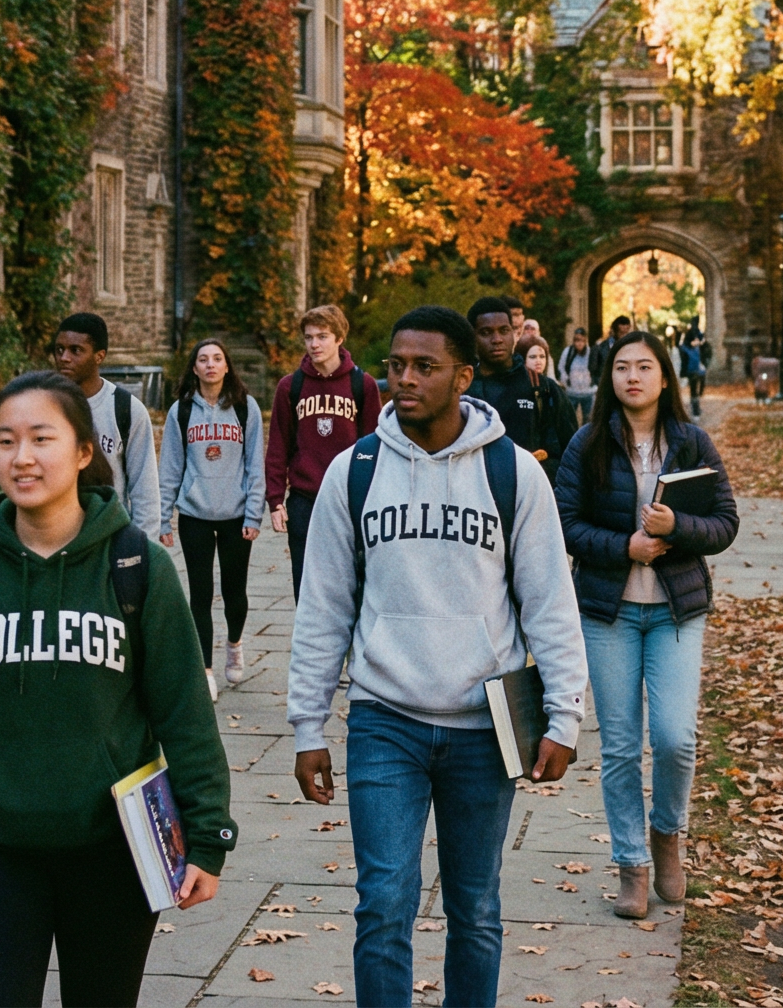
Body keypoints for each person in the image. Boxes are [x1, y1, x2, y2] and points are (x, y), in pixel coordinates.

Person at [0, 372, 236, 1007]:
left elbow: (184, 712)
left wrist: (207, 834)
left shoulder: (136, 567)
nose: (22, 457)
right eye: (7, 440)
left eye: (42, 438)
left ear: (82, 451)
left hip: (112, 853)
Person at [289, 305, 589, 1008]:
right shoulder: (353, 471)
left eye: (425, 367)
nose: (405, 380)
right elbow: (323, 608)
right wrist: (308, 726)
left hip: (484, 724)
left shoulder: (513, 473)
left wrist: (565, 718)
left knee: (476, 912)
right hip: (383, 719)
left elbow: (549, 603)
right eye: (396, 365)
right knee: (382, 908)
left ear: (464, 376)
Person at [555, 328, 738, 919]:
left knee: (675, 737)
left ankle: (668, 836)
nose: (633, 376)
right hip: (608, 611)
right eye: (622, 368)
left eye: (645, 367)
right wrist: (625, 546)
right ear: (609, 378)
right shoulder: (587, 444)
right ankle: (632, 864)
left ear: (665, 377)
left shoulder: (691, 443)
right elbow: (563, 524)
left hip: (675, 611)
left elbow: (725, 523)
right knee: (621, 747)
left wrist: (674, 529)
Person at [159, 337, 265, 692]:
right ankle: (205, 670)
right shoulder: (181, 411)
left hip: (235, 515)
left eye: (217, 358)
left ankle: (234, 645)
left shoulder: (245, 408)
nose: (210, 365)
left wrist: (253, 515)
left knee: (235, 594)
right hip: (195, 515)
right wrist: (163, 518)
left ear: (226, 366)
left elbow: (255, 465)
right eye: (203, 359)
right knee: (200, 594)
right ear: (194, 368)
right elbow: (171, 468)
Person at [267, 303, 383, 607]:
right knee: (305, 584)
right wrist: (275, 500)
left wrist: (373, 495)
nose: (314, 344)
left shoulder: (363, 385)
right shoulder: (291, 387)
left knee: (353, 582)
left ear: (339, 338)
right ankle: (309, 648)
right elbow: (279, 445)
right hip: (305, 498)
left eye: (322, 336)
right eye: (308, 338)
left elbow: (374, 447)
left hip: (349, 498)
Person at [49, 312, 162, 539]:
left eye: (76, 350)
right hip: (54, 539)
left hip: (108, 538)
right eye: (59, 349)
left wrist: (141, 551)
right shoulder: (44, 404)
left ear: (99, 356)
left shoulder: (126, 409)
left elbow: (145, 491)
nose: (64, 357)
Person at [468, 295, 579, 480]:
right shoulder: (461, 390)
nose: (497, 339)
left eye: (504, 330)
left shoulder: (542, 388)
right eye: (486, 332)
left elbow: (573, 455)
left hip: (532, 496)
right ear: (473, 337)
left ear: (514, 334)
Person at [559, 327, 597, 420]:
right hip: (572, 392)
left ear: (585, 340)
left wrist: (596, 384)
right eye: (577, 340)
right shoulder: (568, 352)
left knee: (588, 419)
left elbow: (598, 368)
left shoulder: (591, 352)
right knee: (569, 418)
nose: (579, 343)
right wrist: (565, 380)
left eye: (582, 340)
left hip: (588, 392)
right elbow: (561, 367)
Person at [676, 324, 710, 408]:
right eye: (695, 340)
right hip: (690, 371)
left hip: (697, 370)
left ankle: (695, 404)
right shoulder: (685, 349)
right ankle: (695, 407)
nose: (697, 341)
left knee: (695, 389)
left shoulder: (697, 348)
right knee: (693, 390)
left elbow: (705, 347)